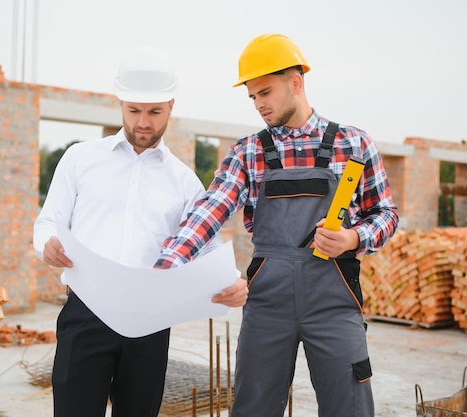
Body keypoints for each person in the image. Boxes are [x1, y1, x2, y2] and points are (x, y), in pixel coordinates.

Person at [155, 33, 399, 417]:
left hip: (334, 304)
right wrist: (166, 266)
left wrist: (353, 237)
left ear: (296, 83)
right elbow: (211, 209)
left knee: (349, 407)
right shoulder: (248, 152)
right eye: (252, 97)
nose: (259, 105)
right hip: (267, 303)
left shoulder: (354, 143)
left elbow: (385, 214)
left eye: (265, 92)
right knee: (253, 408)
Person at [33, 47, 247, 417]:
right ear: (120, 103)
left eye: (154, 112)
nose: (143, 122)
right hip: (85, 313)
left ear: (171, 106)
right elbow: (47, 222)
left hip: (150, 324)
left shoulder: (184, 182)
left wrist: (232, 282)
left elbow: (206, 248)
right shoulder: (80, 159)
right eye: (134, 111)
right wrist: (46, 245)